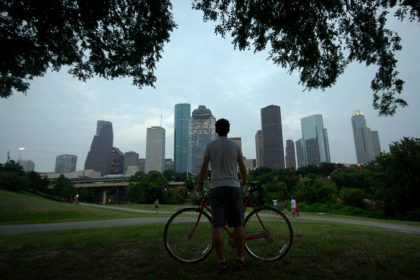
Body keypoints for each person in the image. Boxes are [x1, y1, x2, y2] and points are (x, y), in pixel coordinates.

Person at [198, 118, 248, 273]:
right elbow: (242, 167)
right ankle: (240, 259)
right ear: (228, 130)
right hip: (233, 187)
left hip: (217, 188)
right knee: (238, 224)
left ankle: (222, 262)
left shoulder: (210, 146)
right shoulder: (235, 146)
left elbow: (204, 167)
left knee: (217, 225)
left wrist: (200, 183)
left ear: (216, 130)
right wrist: (244, 180)